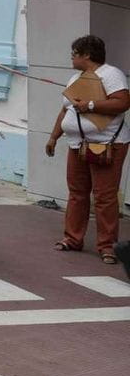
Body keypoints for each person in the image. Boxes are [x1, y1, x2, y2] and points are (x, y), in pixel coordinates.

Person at [46, 35, 130, 265]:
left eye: (75, 53)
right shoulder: (76, 78)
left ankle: (108, 246)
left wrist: (91, 105)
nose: (71, 57)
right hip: (78, 144)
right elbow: (66, 111)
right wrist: (54, 137)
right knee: (77, 193)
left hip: (108, 144)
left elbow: (123, 102)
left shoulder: (111, 74)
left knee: (104, 197)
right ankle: (72, 238)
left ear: (87, 55)